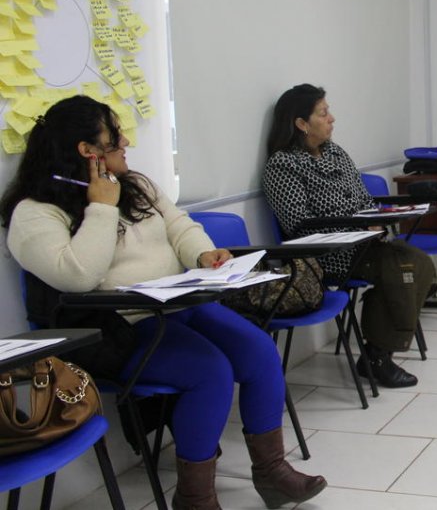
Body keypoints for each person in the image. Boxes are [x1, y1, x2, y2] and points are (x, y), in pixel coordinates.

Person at [1, 96, 325, 510]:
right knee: (211, 372)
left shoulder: (137, 185)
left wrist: (203, 254)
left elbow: (180, 227)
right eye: (115, 135)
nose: (126, 142)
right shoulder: (34, 213)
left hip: (177, 305)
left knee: (259, 352)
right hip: (114, 329)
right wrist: (101, 207)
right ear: (87, 150)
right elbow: (77, 276)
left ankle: (272, 472)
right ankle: (195, 499)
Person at [262, 83, 432, 388]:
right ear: (301, 123)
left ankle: (376, 352)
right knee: (400, 268)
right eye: (323, 113)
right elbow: (296, 223)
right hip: (328, 254)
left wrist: (377, 222)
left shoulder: (335, 153)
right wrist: (355, 228)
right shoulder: (282, 164)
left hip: (364, 244)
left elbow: (363, 199)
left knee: (419, 262)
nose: (332, 118)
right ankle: (378, 358)